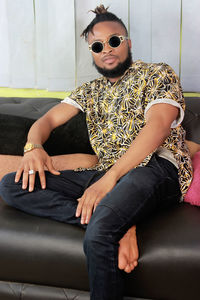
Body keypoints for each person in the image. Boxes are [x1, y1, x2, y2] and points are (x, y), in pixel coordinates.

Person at [0, 5, 193, 300]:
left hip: (155, 168)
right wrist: (33, 147)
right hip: (106, 175)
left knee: (100, 234)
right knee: (12, 184)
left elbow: (158, 127)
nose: (107, 49)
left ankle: (111, 220)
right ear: (92, 52)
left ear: (128, 42)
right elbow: (47, 120)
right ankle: (121, 220)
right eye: (97, 45)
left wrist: (110, 179)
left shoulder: (156, 73)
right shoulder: (90, 91)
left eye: (114, 40)